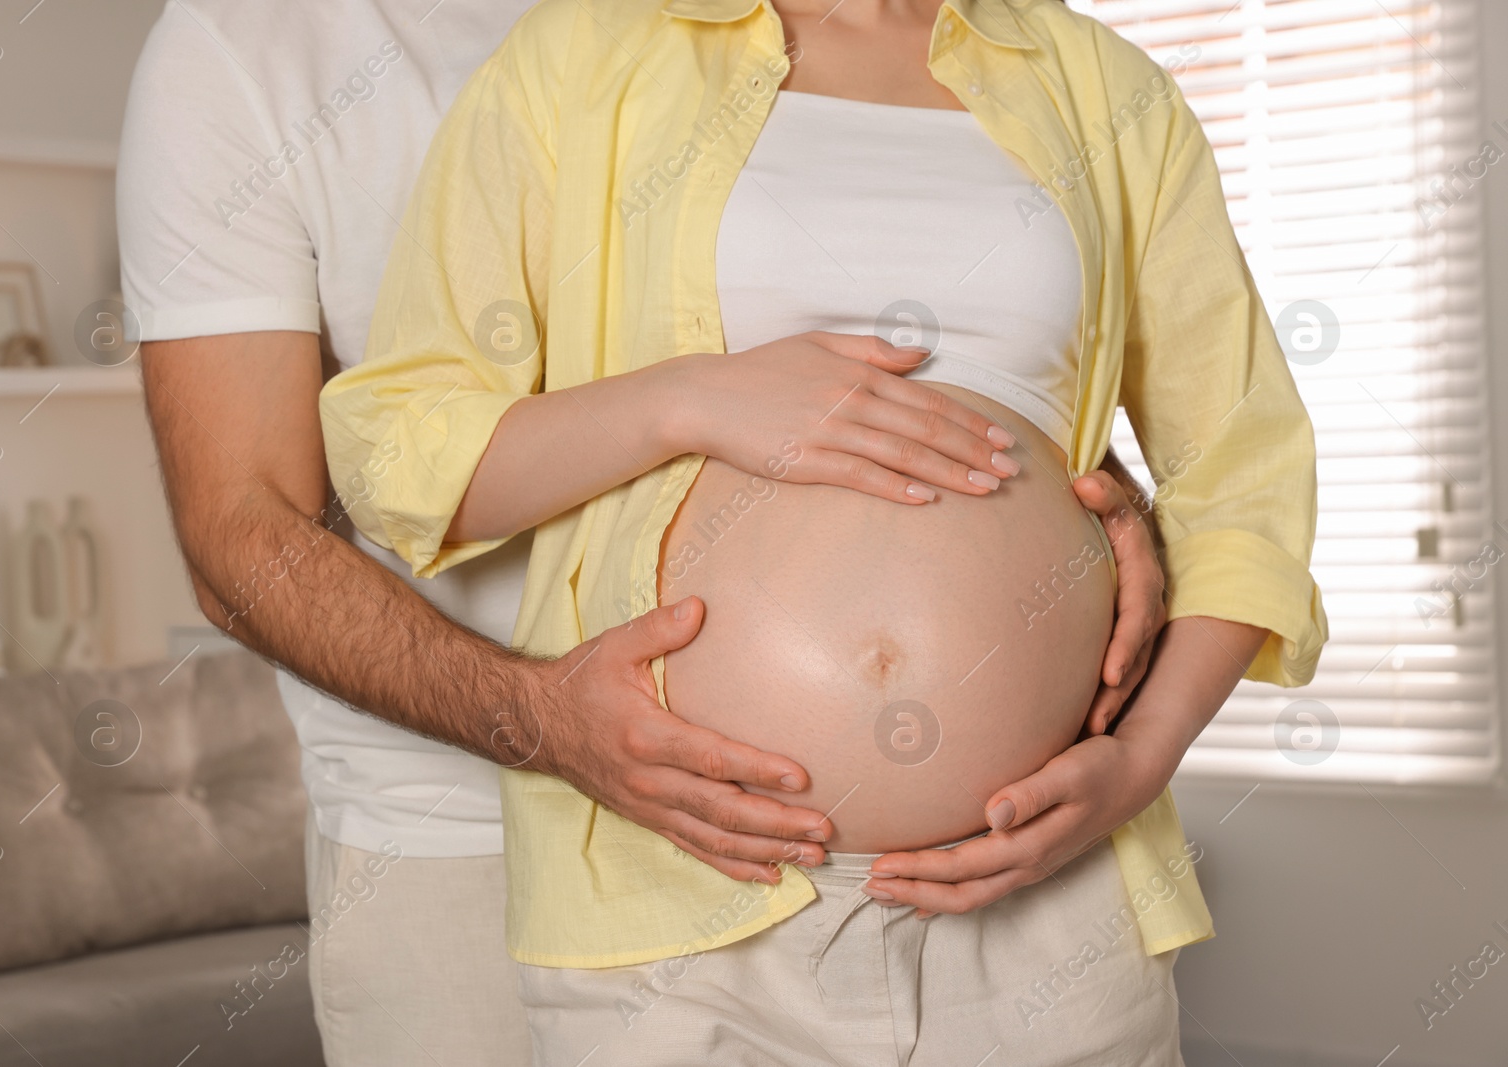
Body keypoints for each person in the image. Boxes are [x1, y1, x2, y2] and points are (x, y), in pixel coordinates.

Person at [117, 1, 1173, 1063]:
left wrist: (1070, 507)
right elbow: (243, 534)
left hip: (924, 831)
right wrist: (541, 717)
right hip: (441, 828)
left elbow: (917, 340)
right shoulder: (248, 46)